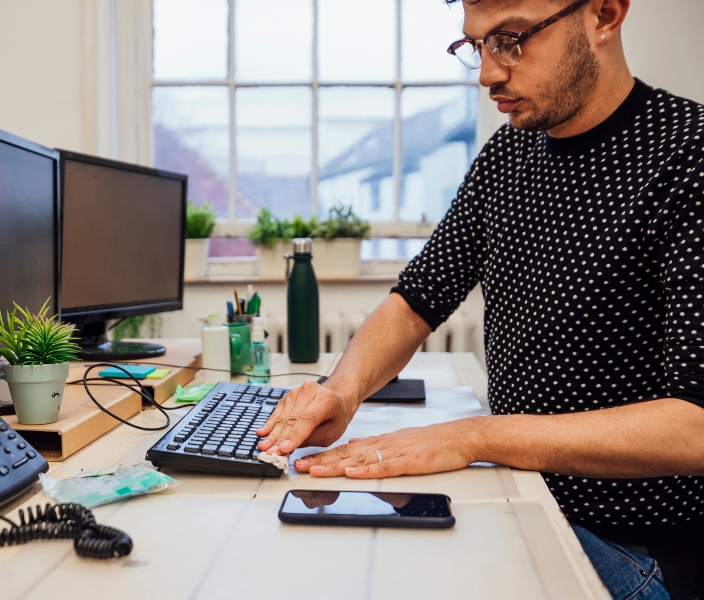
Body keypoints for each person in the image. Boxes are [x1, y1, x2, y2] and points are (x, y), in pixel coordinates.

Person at [256, 0, 704, 598]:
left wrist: (474, 437)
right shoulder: (508, 155)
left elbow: (695, 426)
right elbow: (415, 301)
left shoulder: (689, 157)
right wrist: (343, 389)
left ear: (603, 14)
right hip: (524, 493)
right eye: (478, 47)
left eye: (512, 40)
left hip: (638, 544)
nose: (489, 73)